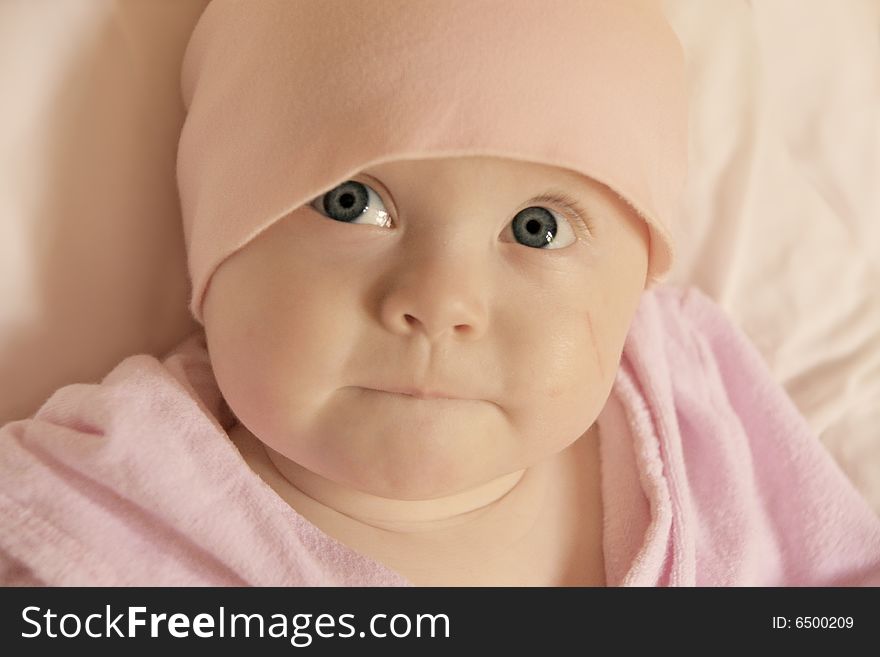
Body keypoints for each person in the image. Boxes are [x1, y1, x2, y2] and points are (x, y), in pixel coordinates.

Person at [1, 0, 878, 587]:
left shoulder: (692, 407)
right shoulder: (103, 520)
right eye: (353, 203)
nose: (440, 300)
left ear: (631, 287)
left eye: (537, 228)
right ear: (216, 252)